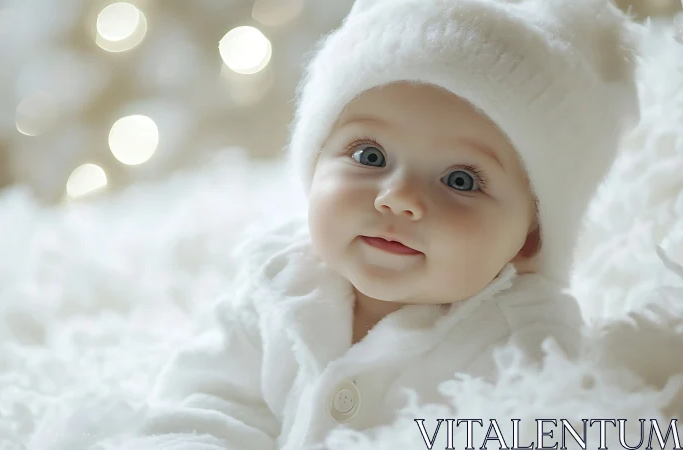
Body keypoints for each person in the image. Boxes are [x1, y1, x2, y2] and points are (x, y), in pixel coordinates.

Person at [135, 0, 642, 448]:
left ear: (530, 239)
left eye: (461, 180)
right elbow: (209, 401)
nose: (398, 199)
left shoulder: (525, 341)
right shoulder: (280, 281)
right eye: (370, 155)